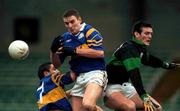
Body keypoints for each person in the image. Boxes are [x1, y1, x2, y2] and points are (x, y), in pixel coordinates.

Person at [103, 21, 178, 111]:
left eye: (150, 34)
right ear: (137, 34)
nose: (149, 36)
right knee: (129, 107)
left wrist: (167, 65)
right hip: (111, 88)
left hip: (126, 86)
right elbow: (134, 73)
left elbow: (148, 59)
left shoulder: (138, 48)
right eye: (146, 33)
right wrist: (143, 95)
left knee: (156, 108)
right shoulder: (129, 49)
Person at [50, 9, 107, 111]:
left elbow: (99, 53)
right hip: (79, 77)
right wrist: (53, 51)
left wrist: (75, 51)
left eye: (72, 22)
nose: (70, 26)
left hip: (95, 73)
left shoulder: (90, 31)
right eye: (66, 23)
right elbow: (57, 64)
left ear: (79, 19)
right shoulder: (64, 38)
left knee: (88, 105)